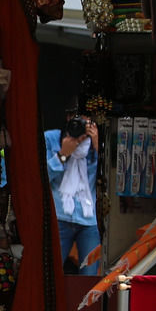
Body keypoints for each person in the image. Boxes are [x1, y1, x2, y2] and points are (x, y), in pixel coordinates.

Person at [45, 114, 101, 275]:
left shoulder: (97, 143)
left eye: (86, 122)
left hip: (89, 220)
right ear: (69, 118)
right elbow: (41, 178)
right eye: (78, 121)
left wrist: (99, 148)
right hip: (59, 216)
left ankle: (86, 301)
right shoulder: (52, 138)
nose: (82, 126)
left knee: (89, 275)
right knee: (51, 273)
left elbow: (108, 180)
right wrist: (63, 154)